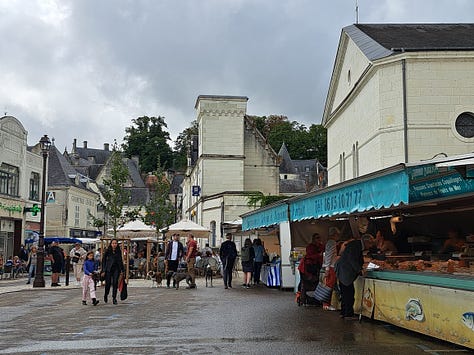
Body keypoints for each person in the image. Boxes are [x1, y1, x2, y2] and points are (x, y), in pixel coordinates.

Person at [335, 234, 376, 320]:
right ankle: (348, 314)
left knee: (345, 292)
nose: (371, 246)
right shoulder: (356, 245)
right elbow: (352, 259)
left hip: (343, 270)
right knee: (348, 293)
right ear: (366, 241)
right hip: (345, 271)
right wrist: (359, 270)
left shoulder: (356, 245)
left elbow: (356, 259)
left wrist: (361, 267)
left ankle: (343, 312)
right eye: (370, 243)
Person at [101, 239, 125, 305]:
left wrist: (122, 270)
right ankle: (106, 294)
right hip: (108, 269)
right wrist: (103, 270)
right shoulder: (107, 251)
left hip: (116, 269)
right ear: (111, 244)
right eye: (113, 243)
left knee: (115, 283)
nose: (114, 245)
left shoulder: (118, 251)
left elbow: (120, 261)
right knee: (108, 284)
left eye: (115, 243)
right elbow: (103, 261)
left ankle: (114, 298)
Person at [322, 227, 340, 311]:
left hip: (330, 266)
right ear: (335, 234)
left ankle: (326, 303)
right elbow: (328, 256)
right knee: (329, 285)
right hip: (331, 267)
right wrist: (327, 268)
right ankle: (326, 304)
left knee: (330, 285)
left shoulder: (329, 242)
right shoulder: (332, 242)